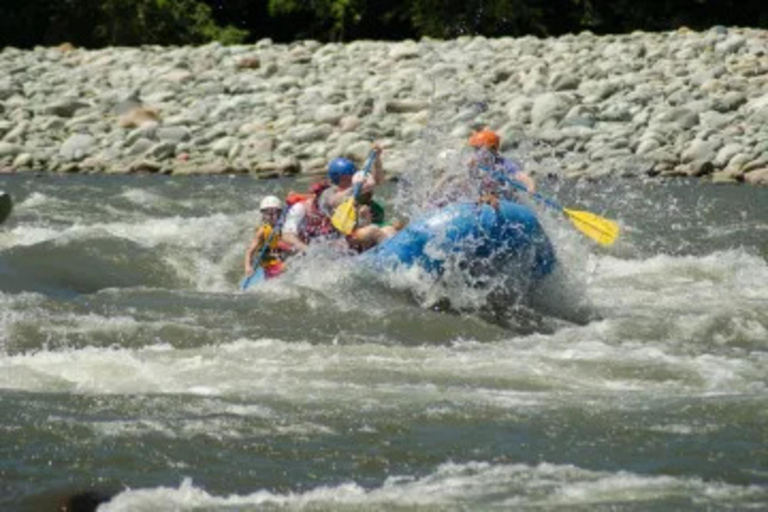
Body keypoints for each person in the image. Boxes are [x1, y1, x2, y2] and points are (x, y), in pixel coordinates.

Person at [317, 144, 398, 251]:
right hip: (344, 238)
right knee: (373, 230)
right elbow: (333, 201)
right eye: (346, 178)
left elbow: (376, 181)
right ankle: (390, 254)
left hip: (364, 231)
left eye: (352, 175)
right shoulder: (329, 193)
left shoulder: (358, 183)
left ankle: (396, 253)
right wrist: (354, 189)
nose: (351, 179)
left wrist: (376, 159)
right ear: (337, 179)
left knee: (390, 229)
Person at [466, 128, 536, 204]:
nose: (476, 153)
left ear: (492, 150)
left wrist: (530, 184)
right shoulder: (475, 164)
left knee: (492, 196)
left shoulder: (503, 164)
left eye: (478, 149)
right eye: (475, 150)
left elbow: (520, 175)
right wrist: (470, 167)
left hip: (503, 199)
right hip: (483, 196)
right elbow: (471, 180)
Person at [243, 195, 291, 279]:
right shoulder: (262, 231)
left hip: (281, 259)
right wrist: (248, 267)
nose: (271, 216)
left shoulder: (285, 227)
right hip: (269, 264)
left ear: (280, 213)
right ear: (263, 215)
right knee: (285, 267)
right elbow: (250, 251)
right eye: (267, 213)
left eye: (274, 212)